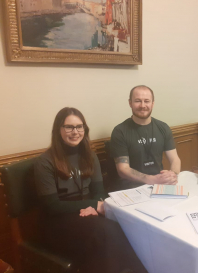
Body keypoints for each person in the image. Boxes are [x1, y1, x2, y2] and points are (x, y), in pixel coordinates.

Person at [34, 107, 146, 273]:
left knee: (127, 225)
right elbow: (52, 206)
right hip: (58, 221)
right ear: (58, 130)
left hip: (88, 214)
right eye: (69, 127)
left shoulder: (90, 156)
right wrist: (94, 204)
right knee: (106, 233)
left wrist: (94, 205)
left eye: (80, 127)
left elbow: (99, 192)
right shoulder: (45, 162)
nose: (75, 132)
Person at [111, 85, 181, 191]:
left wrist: (173, 174)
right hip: (132, 188)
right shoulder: (120, 131)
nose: (143, 105)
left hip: (159, 184)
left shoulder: (163, 127)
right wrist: (152, 179)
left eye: (147, 101)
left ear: (152, 104)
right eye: (138, 101)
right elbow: (122, 169)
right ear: (130, 103)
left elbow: (175, 159)